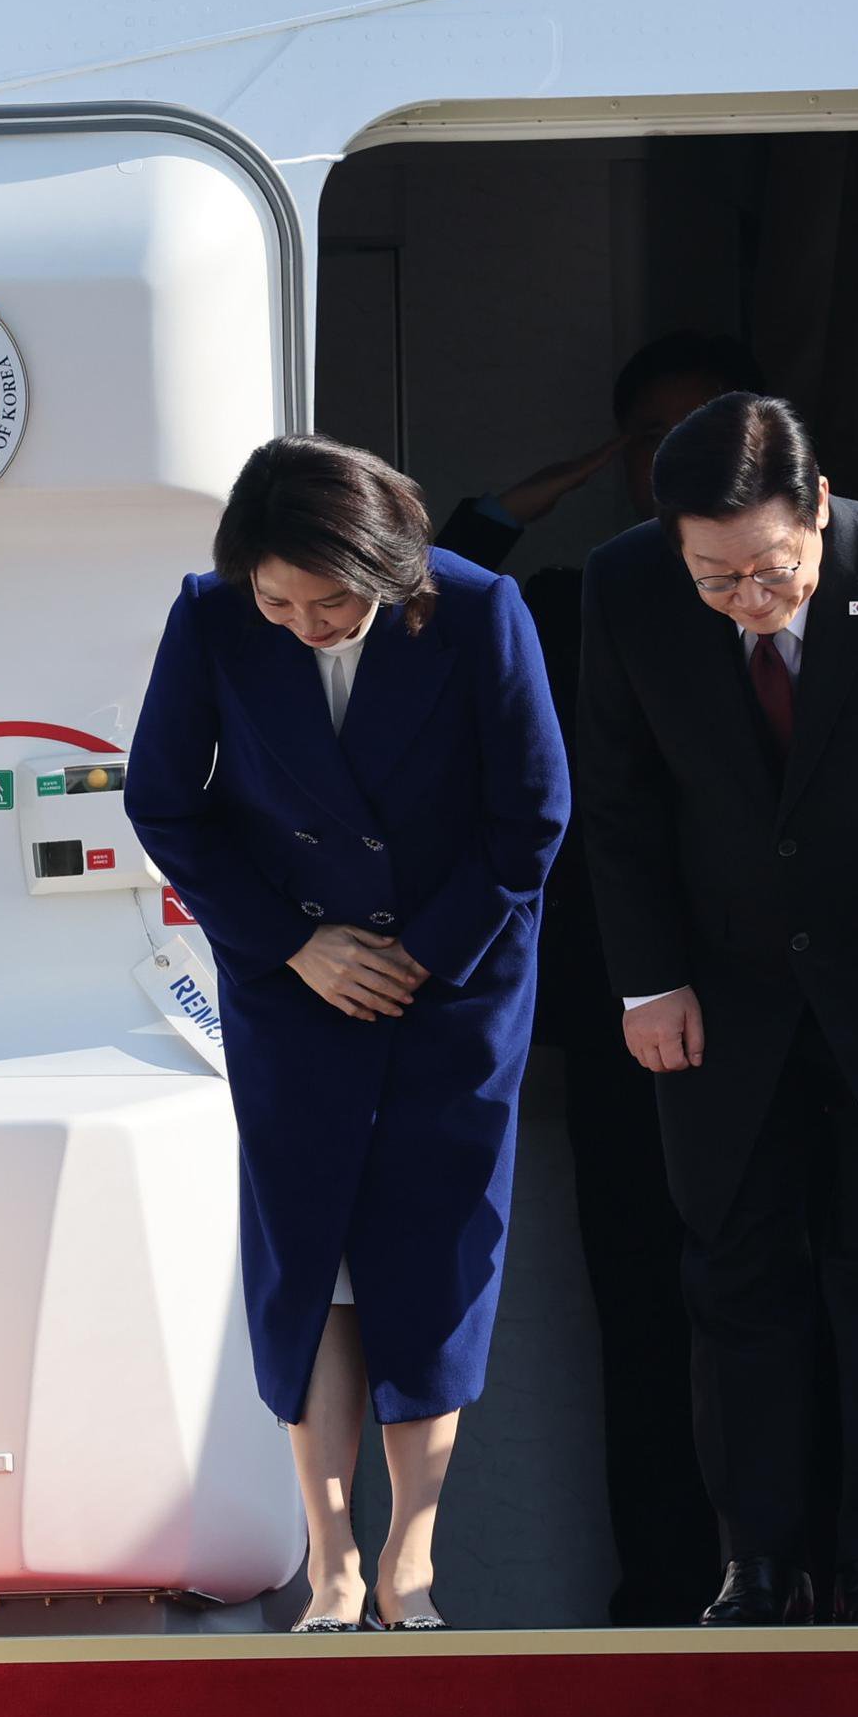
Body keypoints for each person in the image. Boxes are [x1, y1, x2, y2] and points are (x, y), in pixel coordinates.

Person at [576, 393, 858, 1626]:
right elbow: (615, 798)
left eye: (770, 570)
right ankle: (755, 1563)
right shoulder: (624, 588)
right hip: (716, 996)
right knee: (736, 1279)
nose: (746, 599)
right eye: (713, 577)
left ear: (819, 508)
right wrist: (645, 974)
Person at [124, 435, 569, 1634]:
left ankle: (412, 1560)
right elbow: (166, 799)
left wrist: (421, 950)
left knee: (434, 1251)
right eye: (281, 600)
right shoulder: (213, 617)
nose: (306, 622)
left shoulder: (479, 608)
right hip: (291, 981)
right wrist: (290, 943)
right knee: (311, 1262)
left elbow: (531, 812)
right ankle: (331, 1562)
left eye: (333, 600)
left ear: (392, 566)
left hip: (453, 977)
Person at [437, 331, 762, 1623]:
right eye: (655, 444)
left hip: (779, 1022)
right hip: (630, 1025)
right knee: (642, 1318)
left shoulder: (805, 594)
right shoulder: (576, 602)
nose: (679, 467)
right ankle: (666, 1588)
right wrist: (554, 485)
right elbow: (430, 586)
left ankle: (791, 1582)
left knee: (778, 1318)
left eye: (710, 437)